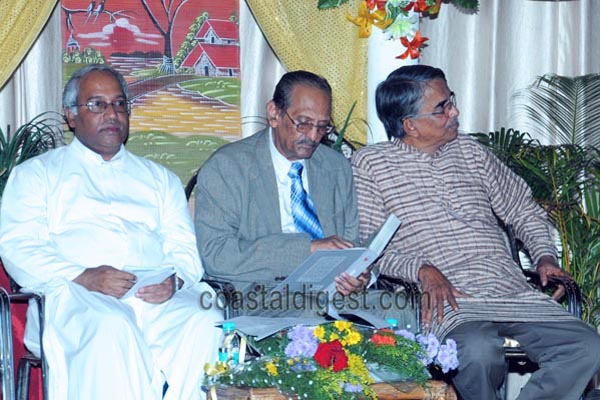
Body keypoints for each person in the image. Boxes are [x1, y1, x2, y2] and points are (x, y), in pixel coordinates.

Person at [351, 64, 600, 400]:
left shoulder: (470, 152)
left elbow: (522, 208)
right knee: (479, 352)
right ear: (410, 125)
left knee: (586, 346)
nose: (454, 112)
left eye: (451, 101)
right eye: (442, 108)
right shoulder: (370, 164)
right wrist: (421, 269)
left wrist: (544, 254)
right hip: (447, 299)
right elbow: (369, 249)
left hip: (509, 289)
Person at [0, 64, 221, 400]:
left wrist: (174, 281)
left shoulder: (160, 179)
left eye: (119, 104)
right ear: (71, 116)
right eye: (97, 104)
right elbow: (18, 247)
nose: (112, 114)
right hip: (74, 296)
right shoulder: (37, 174)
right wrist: (84, 276)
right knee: (112, 325)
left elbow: (186, 250)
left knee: (205, 318)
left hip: (154, 298)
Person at [195, 70, 414, 327]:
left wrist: (360, 275)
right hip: (260, 295)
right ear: (274, 114)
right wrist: (308, 249)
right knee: (313, 316)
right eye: (303, 123)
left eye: (322, 126)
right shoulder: (227, 167)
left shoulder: (335, 167)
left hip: (333, 294)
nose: (313, 136)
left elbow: (351, 243)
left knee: (400, 310)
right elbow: (217, 255)